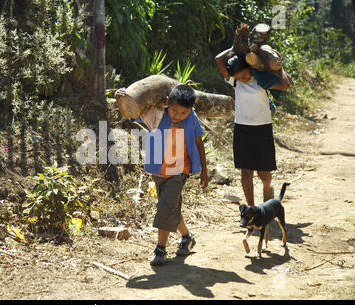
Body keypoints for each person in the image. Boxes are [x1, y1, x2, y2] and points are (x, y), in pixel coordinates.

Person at [115, 84, 209, 266]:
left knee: (165, 207)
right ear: (167, 102)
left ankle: (160, 249)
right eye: (174, 111)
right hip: (159, 170)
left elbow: (199, 143)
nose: (178, 115)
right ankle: (187, 237)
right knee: (170, 207)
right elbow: (132, 112)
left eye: (183, 112)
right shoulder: (156, 114)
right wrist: (122, 97)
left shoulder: (192, 119)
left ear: (191, 109)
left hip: (180, 171)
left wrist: (204, 171)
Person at [214, 48, 292, 207]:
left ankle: (267, 192)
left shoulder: (262, 80)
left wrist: (279, 66)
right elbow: (218, 59)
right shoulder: (234, 81)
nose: (242, 79)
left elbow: (284, 85)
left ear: (250, 68)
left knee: (264, 173)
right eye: (239, 77)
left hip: (262, 130)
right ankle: (251, 208)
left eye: (245, 75)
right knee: (246, 172)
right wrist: (236, 48)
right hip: (242, 131)